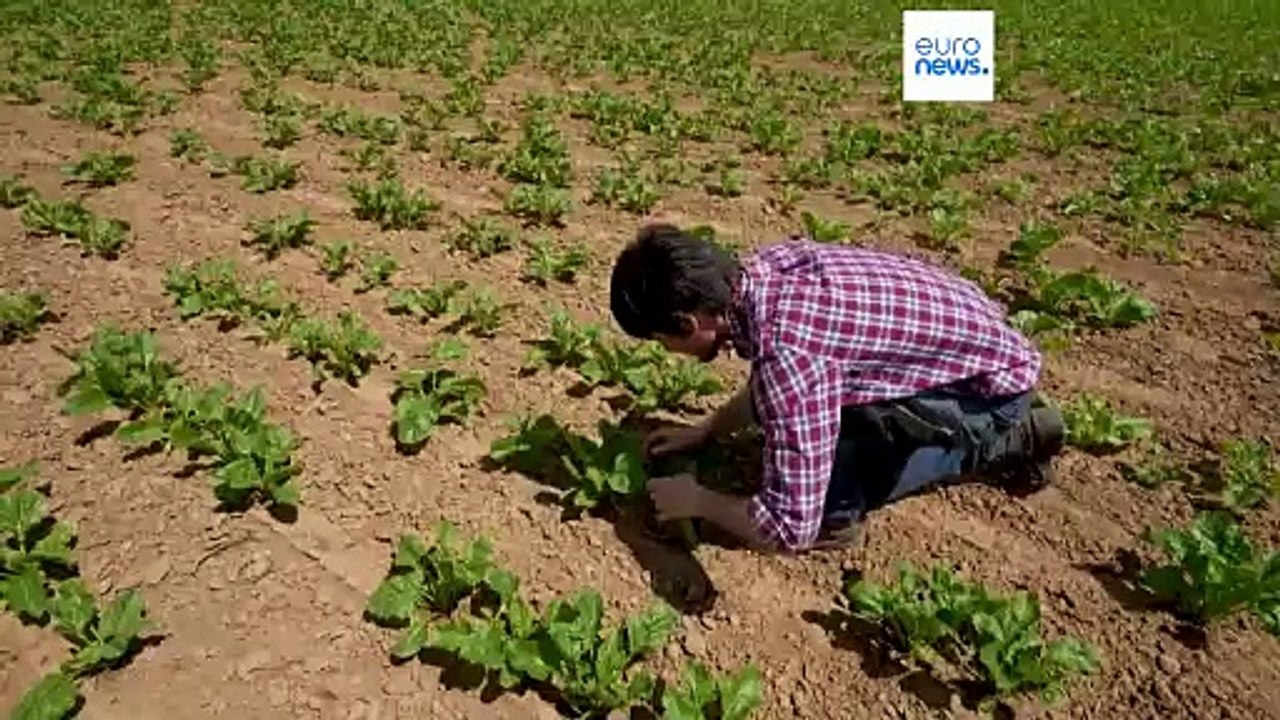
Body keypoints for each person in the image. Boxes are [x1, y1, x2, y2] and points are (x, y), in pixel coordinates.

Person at [609, 223, 1065, 553]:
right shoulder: (765, 272)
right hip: (978, 345)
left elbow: (789, 527)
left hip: (986, 391)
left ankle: (1011, 439)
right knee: (802, 410)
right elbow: (777, 383)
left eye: (662, 340)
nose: (669, 351)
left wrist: (699, 501)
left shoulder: (790, 354)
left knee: (826, 508)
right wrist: (708, 429)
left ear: (688, 324)